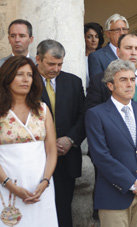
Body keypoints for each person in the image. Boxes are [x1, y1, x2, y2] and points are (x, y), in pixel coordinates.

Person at [86, 59, 137, 227]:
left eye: (132, 79)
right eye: (123, 80)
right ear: (110, 85)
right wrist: (131, 184)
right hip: (114, 195)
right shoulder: (96, 114)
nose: (130, 84)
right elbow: (100, 155)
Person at [0, 56, 58, 226]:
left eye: (30, 75)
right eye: (19, 74)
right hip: (5, 188)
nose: (26, 79)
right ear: (7, 77)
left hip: (40, 189)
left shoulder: (42, 109)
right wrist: (8, 184)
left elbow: (51, 150)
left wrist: (45, 181)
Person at [36, 39, 86, 227]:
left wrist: (70, 139)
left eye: (59, 64)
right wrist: (48, 144)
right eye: (51, 64)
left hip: (66, 158)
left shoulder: (73, 82)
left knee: (63, 208)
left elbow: (83, 115)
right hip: (37, 158)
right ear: (38, 59)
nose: (56, 69)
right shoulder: (27, 81)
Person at [84, 22, 104, 88]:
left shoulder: (102, 58)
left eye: (96, 36)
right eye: (89, 37)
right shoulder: (79, 60)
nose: (93, 40)